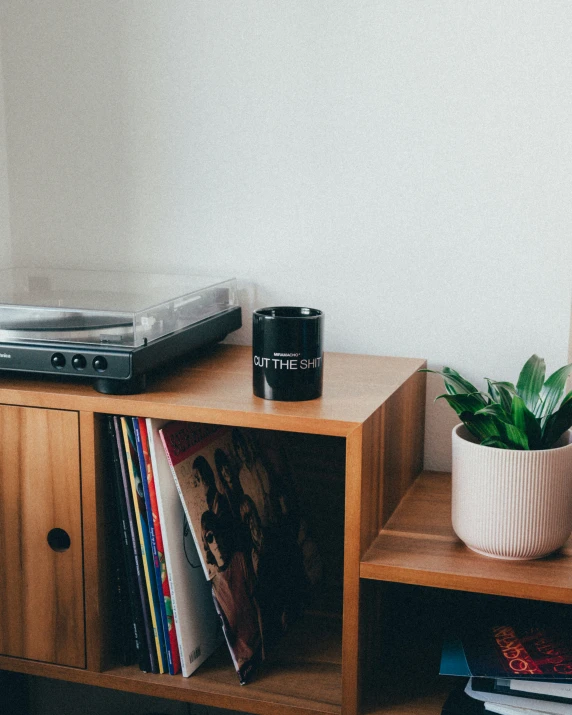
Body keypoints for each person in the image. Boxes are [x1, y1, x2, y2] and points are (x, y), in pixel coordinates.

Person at [201, 510, 262, 678]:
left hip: (260, 647)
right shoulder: (214, 585)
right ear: (206, 543)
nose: (216, 543)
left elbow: (258, 603)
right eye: (210, 538)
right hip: (243, 661)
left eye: (217, 534)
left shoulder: (240, 560)